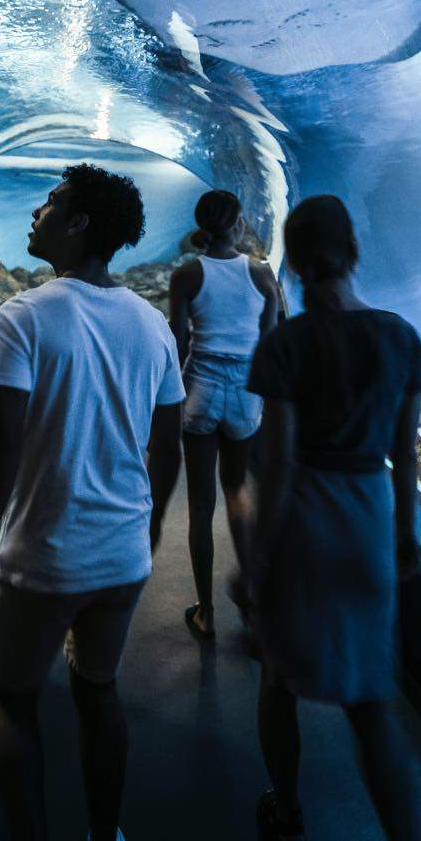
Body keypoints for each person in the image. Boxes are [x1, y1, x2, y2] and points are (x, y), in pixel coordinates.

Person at [0, 164, 183, 841]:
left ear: (79, 223)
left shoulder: (22, 315)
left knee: (13, 700)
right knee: (98, 691)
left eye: (52, 201)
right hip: (121, 554)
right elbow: (168, 443)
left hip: (42, 557)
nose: (39, 210)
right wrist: (147, 530)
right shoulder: (152, 324)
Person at [245, 195, 421, 841]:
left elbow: (280, 460)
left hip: (307, 519)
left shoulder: (286, 345)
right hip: (368, 516)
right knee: (372, 704)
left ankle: (288, 820)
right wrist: (405, 536)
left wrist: (257, 560)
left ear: (291, 262)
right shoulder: (402, 339)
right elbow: (406, 454)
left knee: (277, 678)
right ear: (354, 252)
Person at [165, 189, 280, 640]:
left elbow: (175, 343)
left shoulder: (187, 275)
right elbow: (269, 345)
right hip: (246, 397)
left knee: (200, 505)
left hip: (201, 393)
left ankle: (207, 612)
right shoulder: (261, 275)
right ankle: (251, 605)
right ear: (239, 224)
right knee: (237, 493)